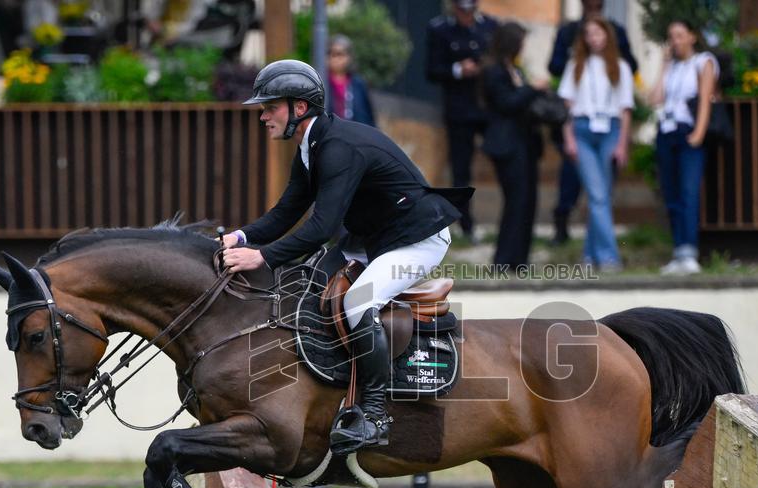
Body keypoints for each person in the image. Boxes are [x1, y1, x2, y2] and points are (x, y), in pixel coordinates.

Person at [221, 60, 469, 455]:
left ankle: (374, 416)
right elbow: (286, 212)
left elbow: (320, 228)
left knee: (357, 303)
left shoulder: (337, 148)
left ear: (299, 108)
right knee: (306, 282)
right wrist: (239, 236)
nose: (263, 115)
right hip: (376, 237)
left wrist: (261, 257)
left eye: (270, 107)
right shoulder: (310, 146)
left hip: (418, 240)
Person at [547, 0, 638, 245]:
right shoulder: (573, 55)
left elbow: (626, 107)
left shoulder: (620, 64)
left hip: (610, 129)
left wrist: (623, 143)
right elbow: (565, 101)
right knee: (595, 193)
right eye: (589, 34)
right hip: (582, 129)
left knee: (602, 195)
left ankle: (592, 254)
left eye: (598, 33)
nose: (594, 38)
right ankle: (609, 256)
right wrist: (569, 139)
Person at [648, 19, 717, 276]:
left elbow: (706, 99)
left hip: (688, 132)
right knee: (671, 193)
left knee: (689, 191)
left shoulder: (703, 61)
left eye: (679, 35)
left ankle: (690, 251)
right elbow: (654, 98)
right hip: (666, 133)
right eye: (671, 36)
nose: (675, 41)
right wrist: (664, 65)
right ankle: (678, 251)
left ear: (692, 36)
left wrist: (699, 132)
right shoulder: (673, 66)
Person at [426, 0, 497, 243]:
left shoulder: (489, 26)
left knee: (504, 161)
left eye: (470, 8)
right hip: (459, 110)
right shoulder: (440, 28)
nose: (466, 14)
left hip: (487, 108)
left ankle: (506, 225)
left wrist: (483, 68)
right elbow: (432, 69)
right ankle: (466, 225)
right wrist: (457, 69)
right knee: (461, 171)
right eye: (461, 9)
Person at [480, 21, 545, 270]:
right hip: (507, 145)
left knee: (528, 200)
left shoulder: (514, 69)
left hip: (525, 143)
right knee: (516, 201)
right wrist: (532, 89)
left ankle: (520, 259)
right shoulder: (494, 71)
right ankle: (504, 260)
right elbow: (507, 103)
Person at [325, 34, 375, 127]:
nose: (335, 58)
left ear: (349, 57)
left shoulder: (359, 84)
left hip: (357, 137)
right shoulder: (321, 83)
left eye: (340, 54)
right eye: (332, 54)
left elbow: (369, 116)